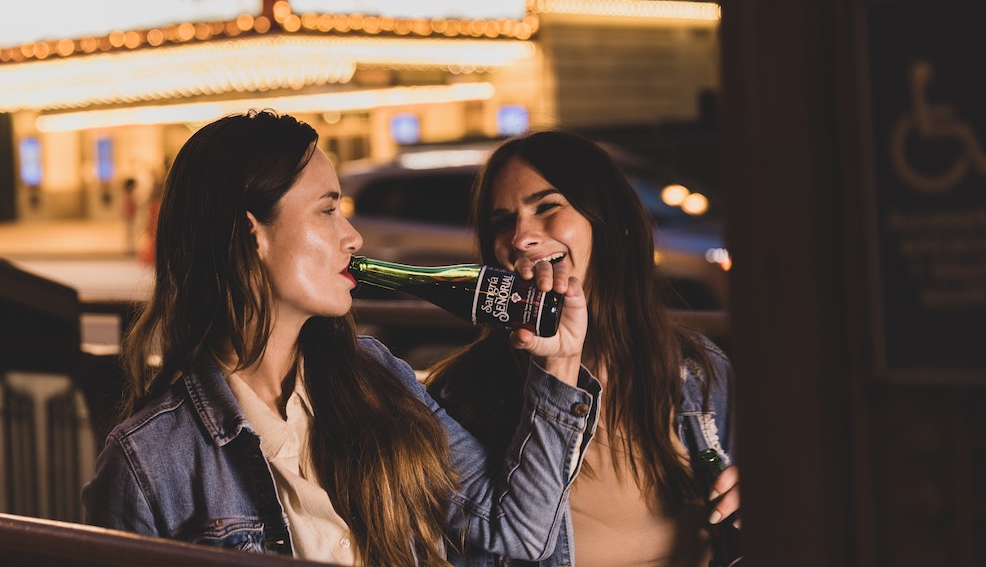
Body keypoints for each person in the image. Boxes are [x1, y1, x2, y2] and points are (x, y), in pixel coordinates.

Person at [82, 110, 602, 566]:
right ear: (250, 233)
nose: (353, 238)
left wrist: (559, 364)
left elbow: (517, 528)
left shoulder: (377, 378)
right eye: (328, 210)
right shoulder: (149, 462)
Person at [424, 130, 741, 567]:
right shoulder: (463, 396)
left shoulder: (698, 371)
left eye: (547, 207)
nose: (520, 238)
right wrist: (556, 366)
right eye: (502, 222)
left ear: (612, 221)